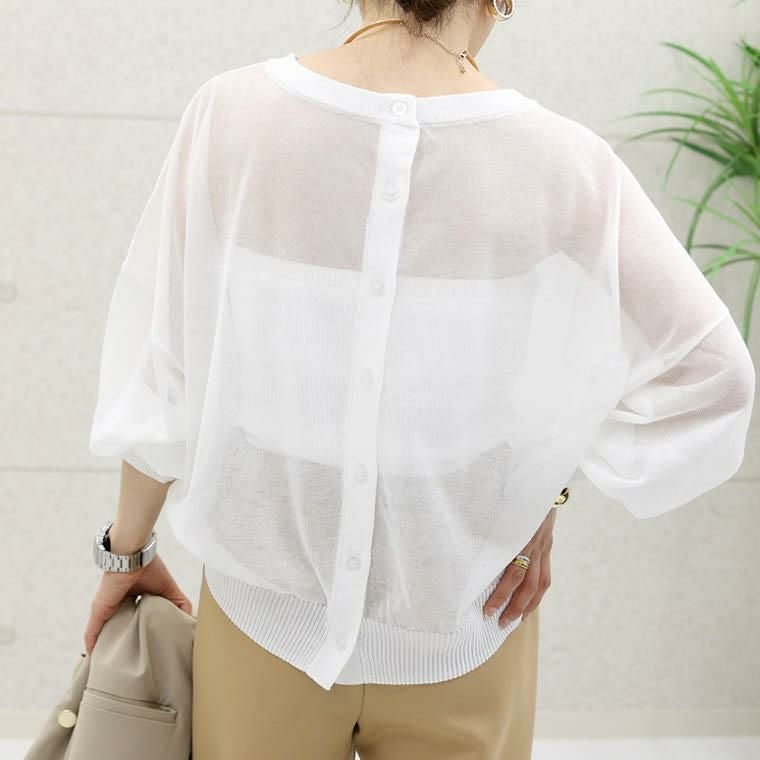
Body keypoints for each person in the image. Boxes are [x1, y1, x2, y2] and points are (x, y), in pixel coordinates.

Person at [83, 0, 756, 758]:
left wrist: (126, 554)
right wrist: (545, 491)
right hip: (467, 626)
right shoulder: (563, 161)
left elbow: (167, 367)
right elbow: (715, 376)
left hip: (263, 627)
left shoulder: (231, 116)